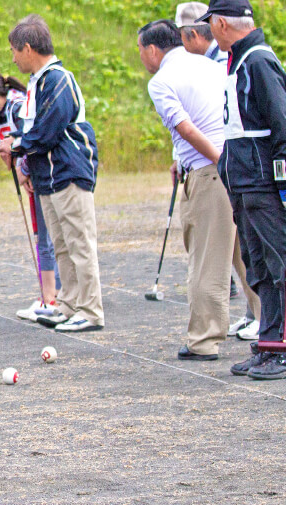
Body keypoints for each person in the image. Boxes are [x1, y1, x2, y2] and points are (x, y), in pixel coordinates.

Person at [138, 19, 234, 360]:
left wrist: (216, 160)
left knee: (207, 257)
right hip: (235, 164)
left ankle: (204, 340)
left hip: (211, 170)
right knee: (246, 256)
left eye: (140, 50)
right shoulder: (208, 64)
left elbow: (187, 127)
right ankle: (271, 327)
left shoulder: (161, 80)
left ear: (152, 49)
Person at [201, 0, 286, 379]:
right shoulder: (237, 61)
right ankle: (269, 346)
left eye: (210, 25)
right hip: (244, 184)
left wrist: (282, 185)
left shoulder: (259, 61)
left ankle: (282, 349)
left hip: (263, 185)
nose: (209, 32)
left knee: (280, 265)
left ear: (221, 23)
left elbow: (282, 124)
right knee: (260, 269)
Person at [2, 14, 103, 332]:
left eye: (14, 51)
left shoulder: (58, 79)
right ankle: (69, 304)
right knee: (62, 244)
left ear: (28, 48)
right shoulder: (37, 82)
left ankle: (91, 310)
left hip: (68, 172)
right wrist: (24, 156)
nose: (13, 58)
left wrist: (17, 145)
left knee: (80, 243)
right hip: (47, 175)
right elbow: (32, 126)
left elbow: (47, 129)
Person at [176, 1, 261, 338]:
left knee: (249, 249)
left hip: (236, 169)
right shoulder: (221, 60)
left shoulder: (234, 60)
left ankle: (265, 319)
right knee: (244, 248)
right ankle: (260, 316)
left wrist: (225, 165)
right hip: (231, 166)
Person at [0, 67, 63, 322]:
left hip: (47, 175)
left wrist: (24, 170)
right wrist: (15, 166)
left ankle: (51, 299)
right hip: (31, 178)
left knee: (47, 239)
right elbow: (8, 147)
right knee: (43, 237)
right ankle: (53, 295)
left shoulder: (18, 106)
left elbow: (31, 141)